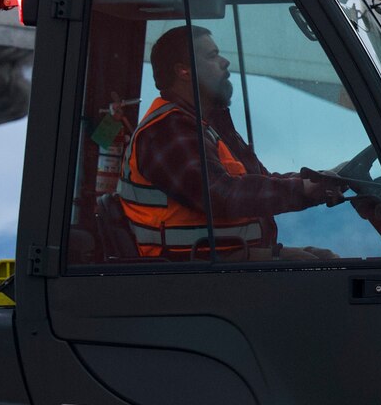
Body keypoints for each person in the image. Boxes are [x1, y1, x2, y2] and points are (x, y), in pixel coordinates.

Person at [115, 25, 344, 260]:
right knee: (312, 267)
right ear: (184, 70)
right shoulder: (166, 131)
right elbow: (219, 195)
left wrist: (315, 183)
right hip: (190, 270)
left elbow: (260, 181)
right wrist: (301, 189)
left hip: (223, 262)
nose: (225, 62)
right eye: (212, 56)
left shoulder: (208, 125)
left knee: (327, 261)